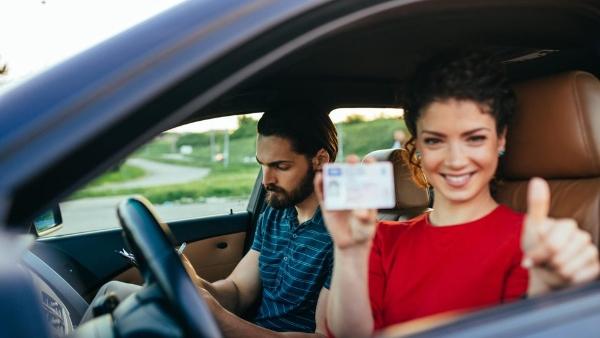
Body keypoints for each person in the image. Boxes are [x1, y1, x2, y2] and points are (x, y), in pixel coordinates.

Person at [314, 51, 600, 337]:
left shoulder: (534, 243)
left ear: (500, 139)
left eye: (474, 138)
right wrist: (349, 252)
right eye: (435, 140)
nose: (456, 160)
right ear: (418, 147)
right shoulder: (378, 239)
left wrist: (545, 295)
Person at [181, 105, 338, 337]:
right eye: (262, 165)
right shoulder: (276, 213)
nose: (266, 180)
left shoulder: (343, 234)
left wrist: (220, 318)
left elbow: (323, 336)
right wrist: (193, 283)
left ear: (320, 160)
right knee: (115, 291)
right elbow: (237, 291)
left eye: (281, 166)